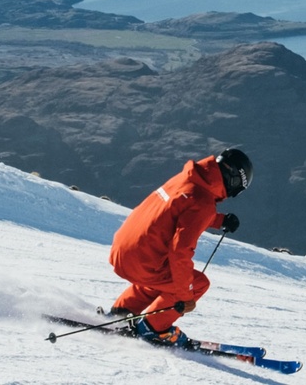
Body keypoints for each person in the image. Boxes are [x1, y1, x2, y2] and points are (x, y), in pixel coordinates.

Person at [106, 147, 251, 347]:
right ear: (234, 180)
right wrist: (185, 296)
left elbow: (179, 210)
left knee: (160, 277)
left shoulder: (186, 179)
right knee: (197, 283)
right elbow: (180, 252)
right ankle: (153, 329)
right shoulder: (203, 202)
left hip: (123, 251)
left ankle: (121, 313)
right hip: (142, 262)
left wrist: (218, 220)